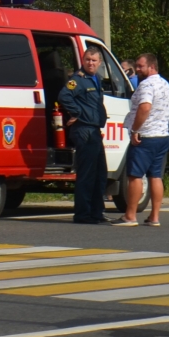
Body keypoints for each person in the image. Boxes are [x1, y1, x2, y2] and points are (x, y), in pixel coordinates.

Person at [57, 45, 111, 224]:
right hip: (84, 130)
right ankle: (83, 214)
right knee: (87, 174)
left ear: (99, 63)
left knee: (100, 174)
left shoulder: (96, 79)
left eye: (94, 60)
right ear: (83, 60)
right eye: (88, 60)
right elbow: (64, 96)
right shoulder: (77, 80)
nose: (90, 63)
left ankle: (96, 212)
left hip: (94, 131)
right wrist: (78, 113)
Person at [121, 53, 169, 227]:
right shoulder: (165, 84)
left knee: (135, 175)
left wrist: (135, 129)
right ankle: (155, 217)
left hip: (146, 137)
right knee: (155, 176)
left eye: (140, 66)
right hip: (162, 136)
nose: (137, 69)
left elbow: (145, 107)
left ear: (151, 66)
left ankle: (130, 215)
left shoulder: (147, 85)